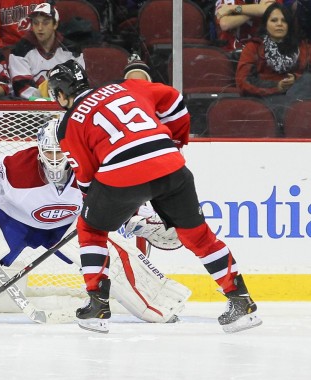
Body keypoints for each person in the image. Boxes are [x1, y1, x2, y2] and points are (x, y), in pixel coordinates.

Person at [0, 118, 191, 325]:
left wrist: (139, 217)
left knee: (109, 252)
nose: (57, 160)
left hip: (68, 224)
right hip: (14, 220)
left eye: (63, 153)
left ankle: (160, 303)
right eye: (50, 152)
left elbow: (117, 194)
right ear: (39, 149)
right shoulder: (16, 167)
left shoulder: (92, 166)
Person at [47, 59, 263, 334]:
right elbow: (173, 100)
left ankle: (97, 306)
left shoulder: (68, 124)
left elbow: (87, 179)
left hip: (120, 176)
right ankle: (241, 302)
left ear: (61, 94)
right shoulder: (125, 86)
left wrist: (109, 209)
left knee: (91, 228)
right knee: (198, 236)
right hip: (170, 165)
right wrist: (175, 142)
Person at [236, 3, 311, 126]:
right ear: (266, 24)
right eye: (274, 20)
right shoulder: (253, 47)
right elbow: (243, 81)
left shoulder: (303, 47)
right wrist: (277, 86)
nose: (279, 24)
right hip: (266, 98)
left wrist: (296, 80)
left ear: (289, 25)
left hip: (300, 97)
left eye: (284, 21)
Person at [9, 3, 85, 100]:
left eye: (45, 23)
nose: (40, 28)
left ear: (55, 24)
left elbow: (79, 84)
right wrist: (46, 100)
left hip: (64, 106)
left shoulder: (72, 50)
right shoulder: (20, 51)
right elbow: (22, 88)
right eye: (36, 23)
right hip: (30, 109)